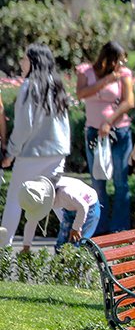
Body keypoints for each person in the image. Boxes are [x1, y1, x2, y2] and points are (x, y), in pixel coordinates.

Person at [1, 44, 70, 248]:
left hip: (32, 153)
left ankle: (3, 248)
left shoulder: (29, 86)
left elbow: (24, 126)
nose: (21, 63)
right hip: (57, 152)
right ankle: (80, 239)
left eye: (24, 59)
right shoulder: (57, 85)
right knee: (55, 199)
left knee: (15, 199)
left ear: (33, 61)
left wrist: (11, 152)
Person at [76, 40, 135, 234]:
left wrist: (109, 121)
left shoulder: (124, 75)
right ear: (108, 59)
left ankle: (120, 228)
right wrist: (106, 81)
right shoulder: (86, 72)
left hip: (118, 131)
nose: (121, 64)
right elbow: (81, 93)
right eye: (119, 60)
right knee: (97, 182)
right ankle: (98, 228)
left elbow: (129, 102)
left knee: (120, 181)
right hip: (93, 132)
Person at [16, 175, 99, 250]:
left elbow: (83, 207)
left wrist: (76, 228)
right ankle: (61, 258)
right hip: (70, 208)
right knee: (61, 244)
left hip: (89, 207)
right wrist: (26, 246)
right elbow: (32, 221)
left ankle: (80, 260)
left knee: (78, 243)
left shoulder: (65, 193)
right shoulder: (45, 194)